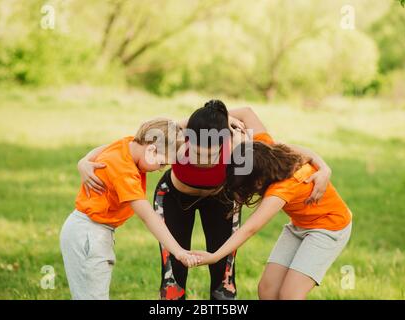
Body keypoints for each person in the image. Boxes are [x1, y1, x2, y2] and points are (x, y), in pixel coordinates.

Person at [78, 100, 332, 300]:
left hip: (220, 200)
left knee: (223, 281)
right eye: (195, 151)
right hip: (175, 197)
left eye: (209, 154)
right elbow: (126, 145)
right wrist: (84, 161)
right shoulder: (177, 133)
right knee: (173, 282)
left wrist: (324, 168)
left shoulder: (238, 140)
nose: (201, 158)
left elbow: (284, 151)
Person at [192, 115, 352, 300]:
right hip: (300, 226)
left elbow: (249, 229)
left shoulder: (283, 189)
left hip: (329, 228)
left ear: (259, 181)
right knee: (267, 291)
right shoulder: (265, 152)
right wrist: (218, 119)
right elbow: (246, 111)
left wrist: (214, 256)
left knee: (290, 295)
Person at [60, 118, 201, 300]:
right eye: (162, 163)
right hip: (89, 235)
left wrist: (85, 160)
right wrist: (178, 251)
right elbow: (148, 216)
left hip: (89, 231)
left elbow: (104, 148)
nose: (161, 169)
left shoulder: (129, 144)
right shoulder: (124, 172)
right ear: (151, 149)